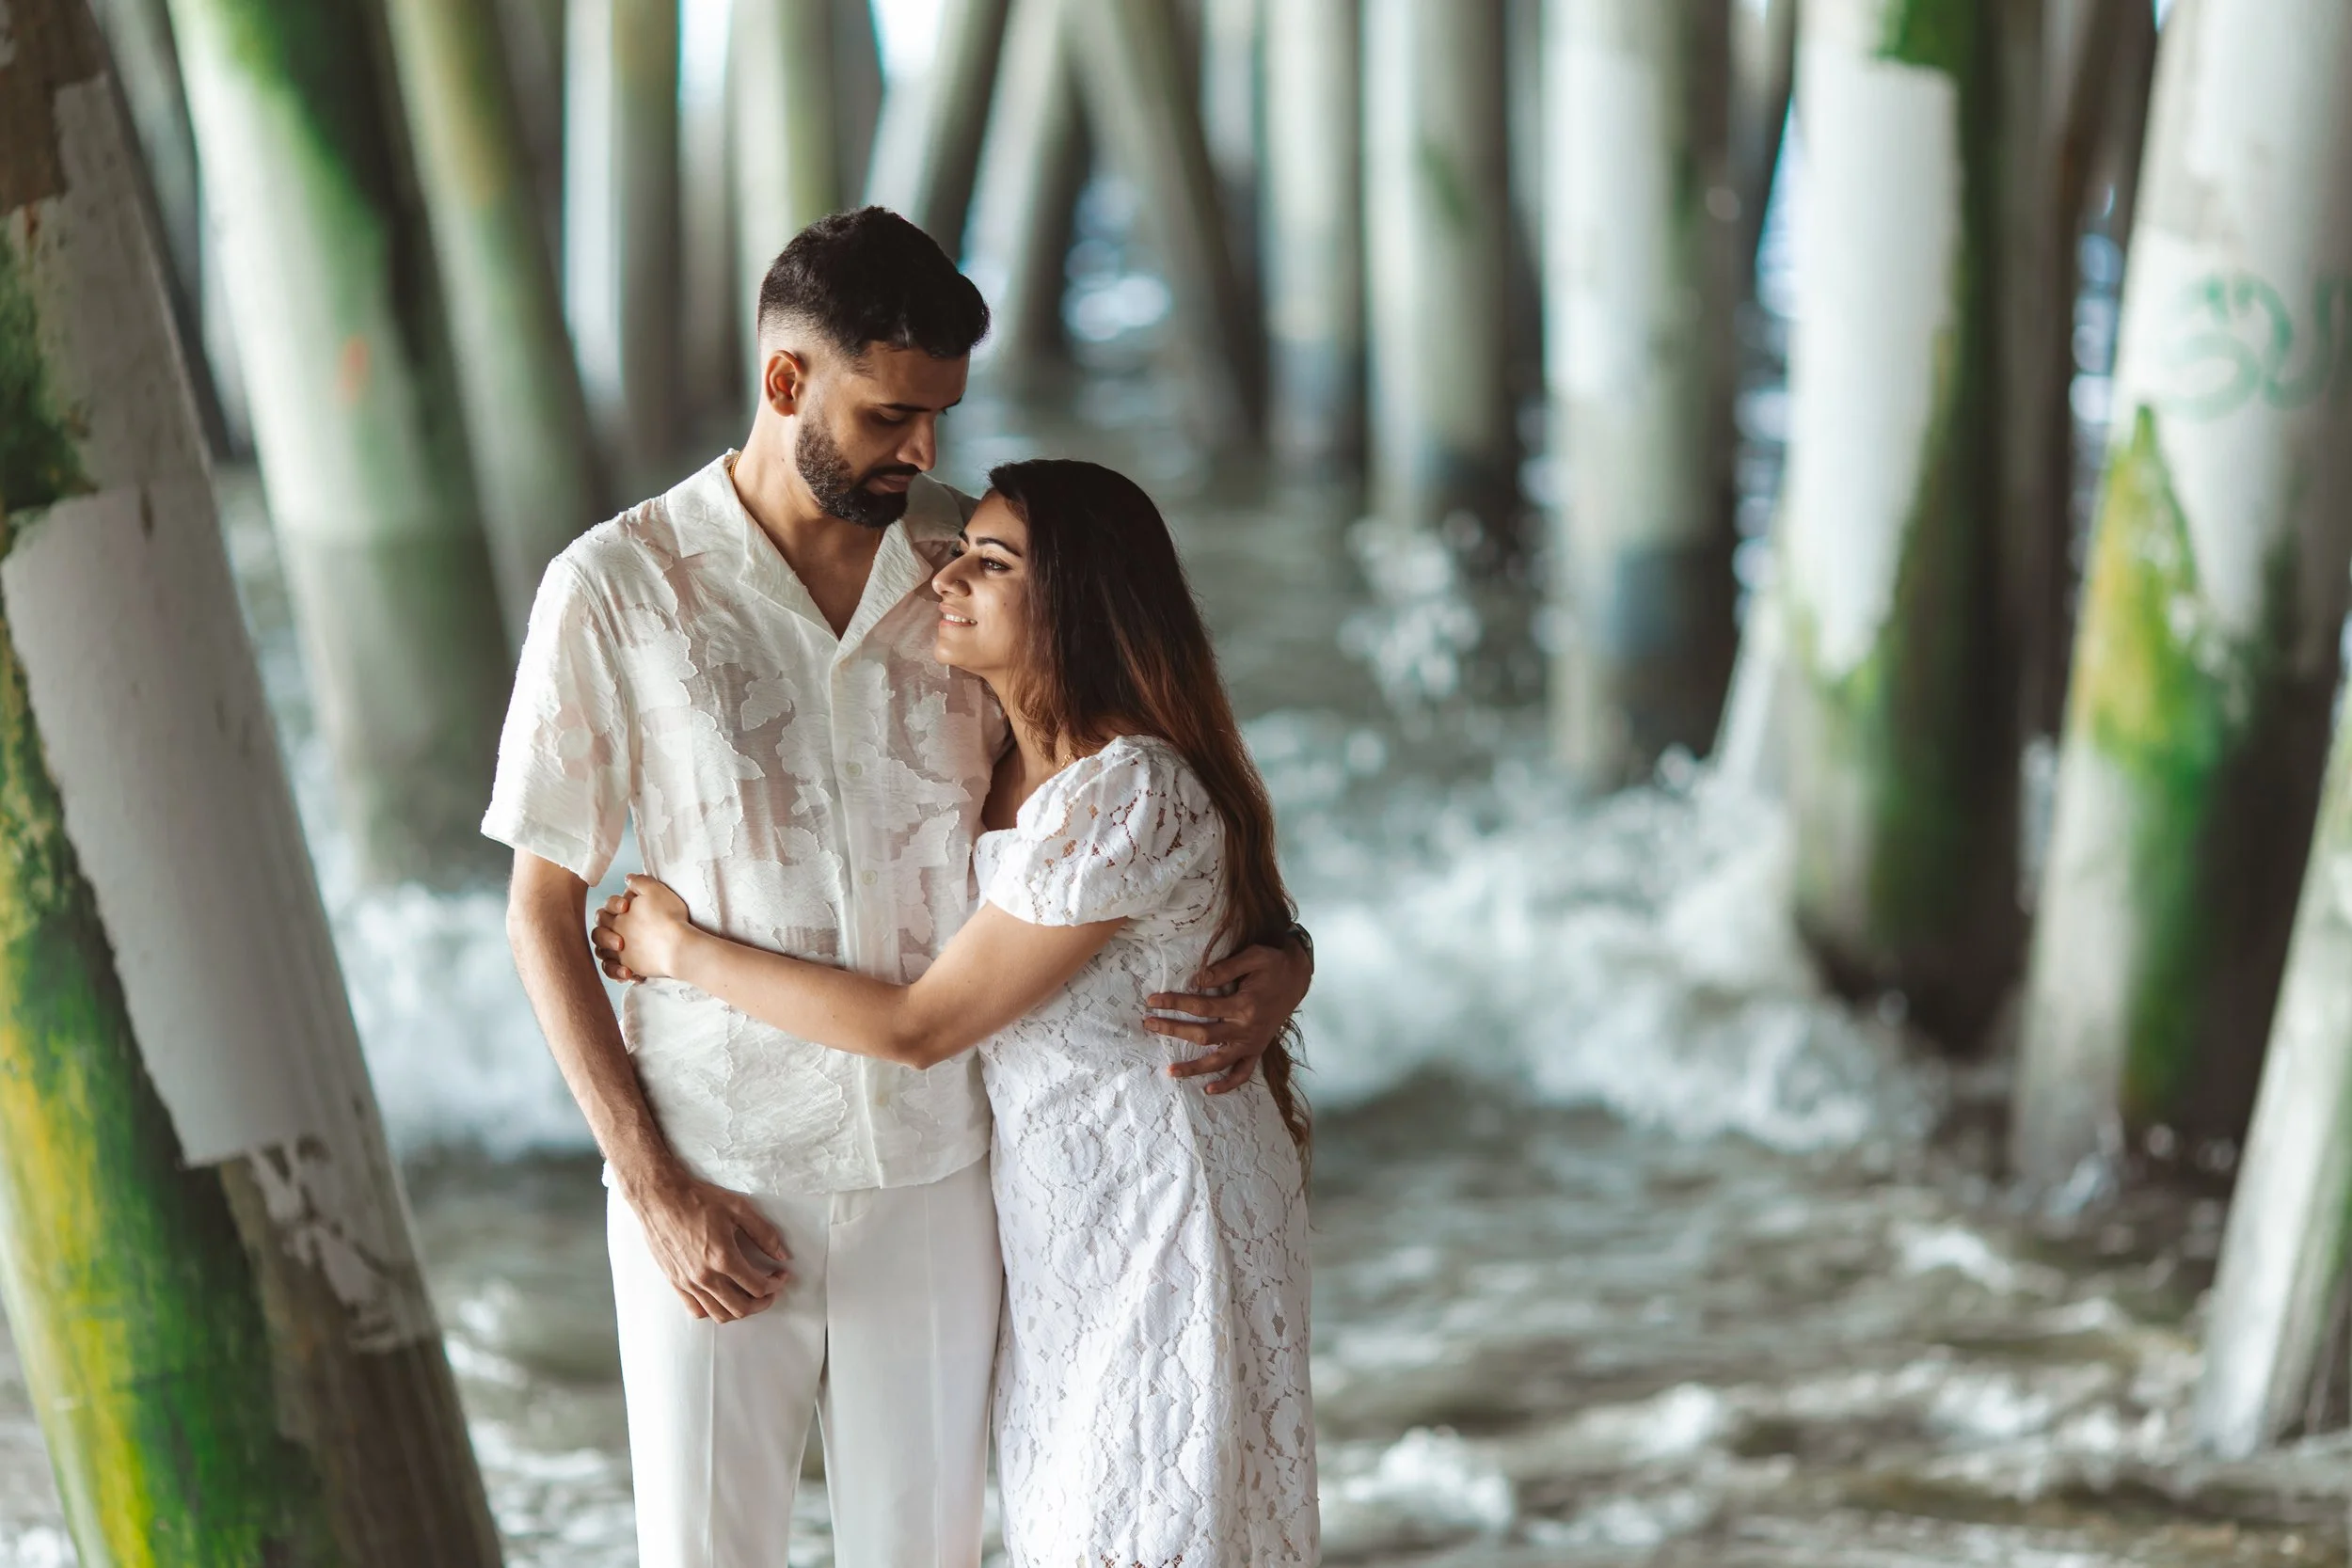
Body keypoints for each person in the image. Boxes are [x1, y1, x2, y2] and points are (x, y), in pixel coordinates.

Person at [486, 209, 1312, 1568]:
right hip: (718, 1168)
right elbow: (540, 909)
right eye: (891, 415)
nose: (923, 450)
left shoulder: (967, 567)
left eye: (939, 416)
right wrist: (651, 1185)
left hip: (944, 1173)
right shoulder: (616, 590)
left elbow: (1137, 781)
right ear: (787, 382)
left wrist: (1283, 950)